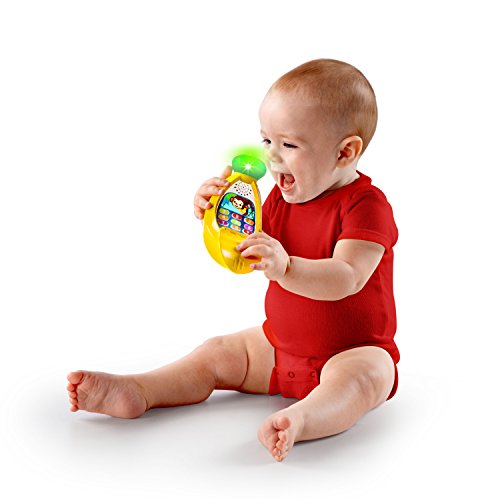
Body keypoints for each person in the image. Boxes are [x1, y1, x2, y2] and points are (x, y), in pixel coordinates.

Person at [66, 58, 399, 462]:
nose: (272, 157)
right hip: (278, 347)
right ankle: (142, 389)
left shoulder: (366, 205)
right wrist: (216, 211)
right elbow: (243, 250)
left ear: (345, 152)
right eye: (266, 140)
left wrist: (287, 267)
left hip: (352, 351)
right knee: (216, 352)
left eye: (289, 145)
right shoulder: (279, 199)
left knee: (367, 377)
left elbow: (348, 276)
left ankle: (302, 419)